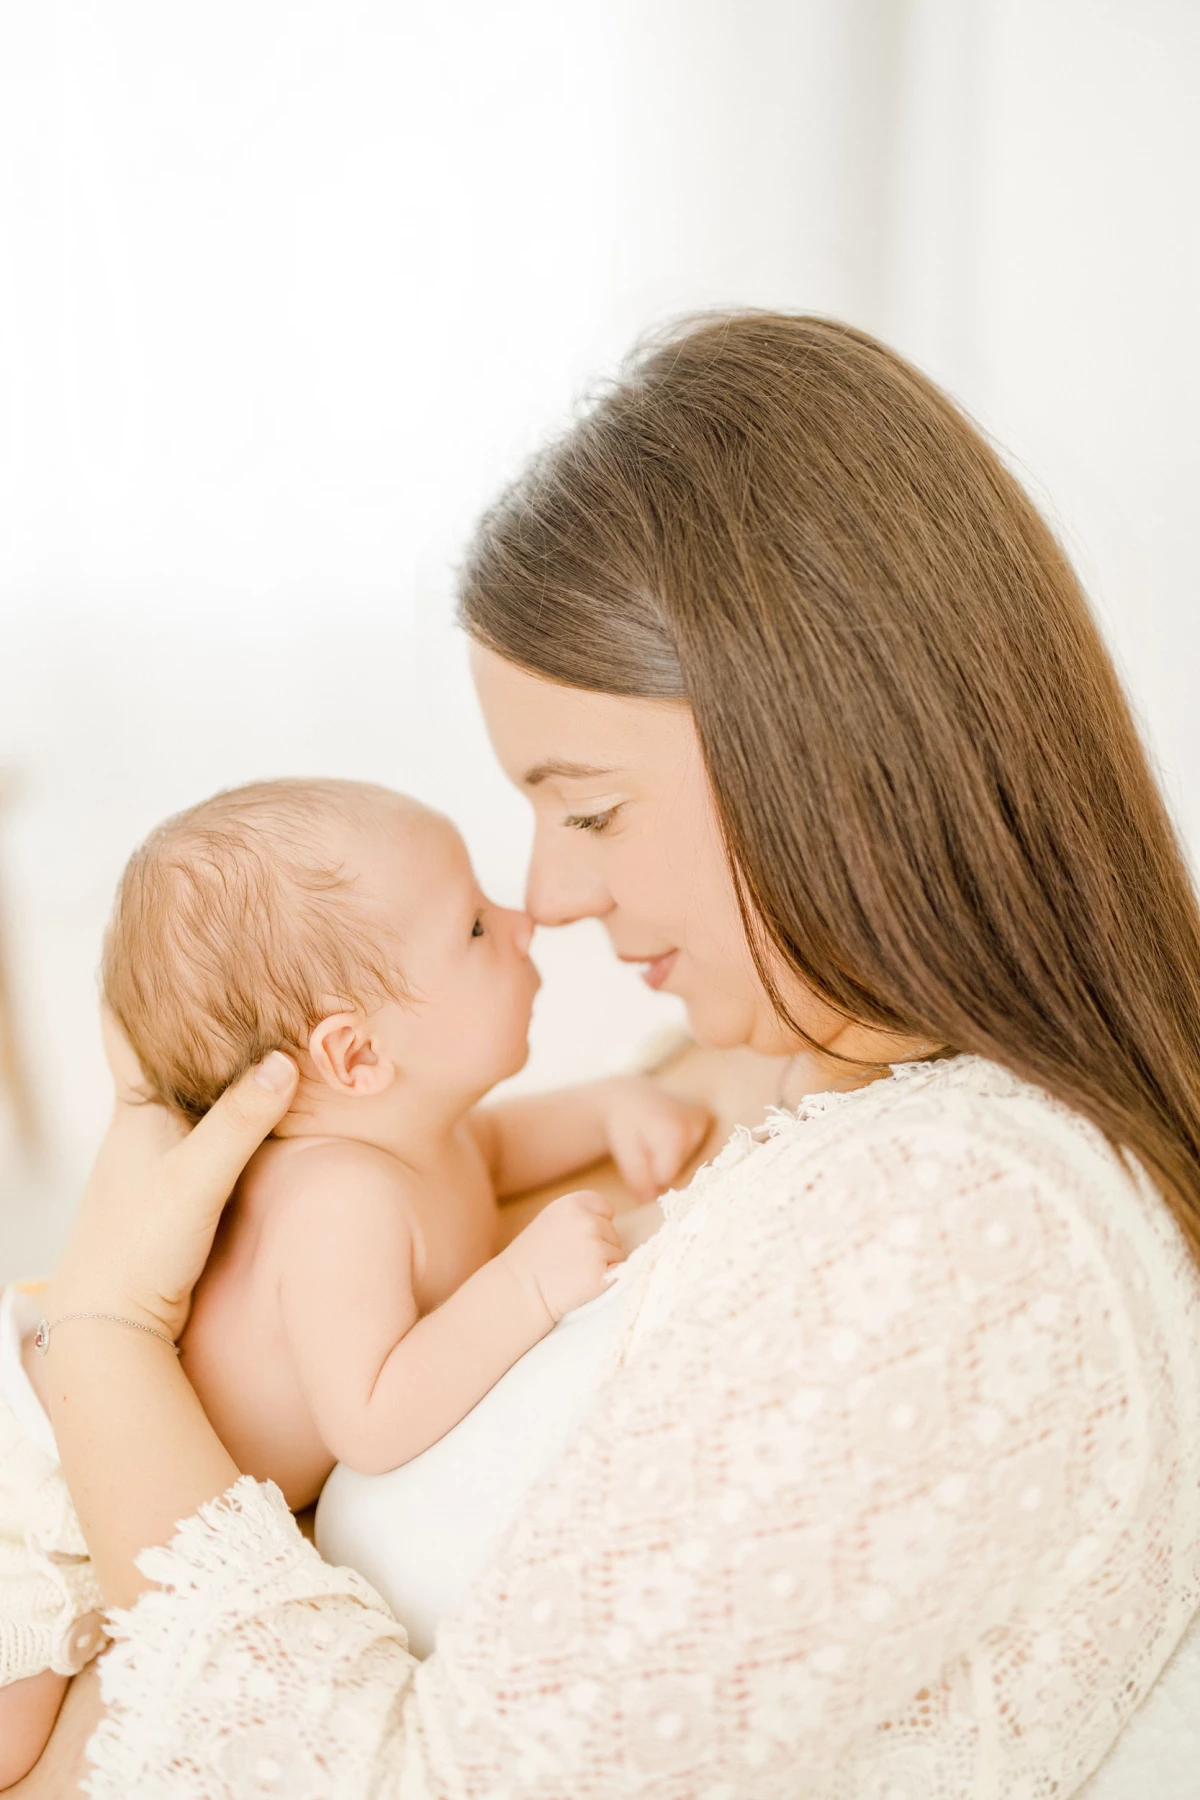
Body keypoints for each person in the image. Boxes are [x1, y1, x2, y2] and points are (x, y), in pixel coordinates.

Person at [26, 314, 1200, 1796]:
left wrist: (110, 1344)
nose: (555, 898)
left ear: (826, 751)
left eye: (587, 813)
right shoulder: (786, 1116)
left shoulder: (951, 1225)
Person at [0, 779, 710, 1787]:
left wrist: (610, 1108)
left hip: (110, 1450)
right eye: (472, 925)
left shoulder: (416, 1139)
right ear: (356, 1052)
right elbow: (371, 1417)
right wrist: (527, 1287)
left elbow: (494, 1152)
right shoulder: (342, 1200)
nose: (521, 920)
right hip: (43, 1484)